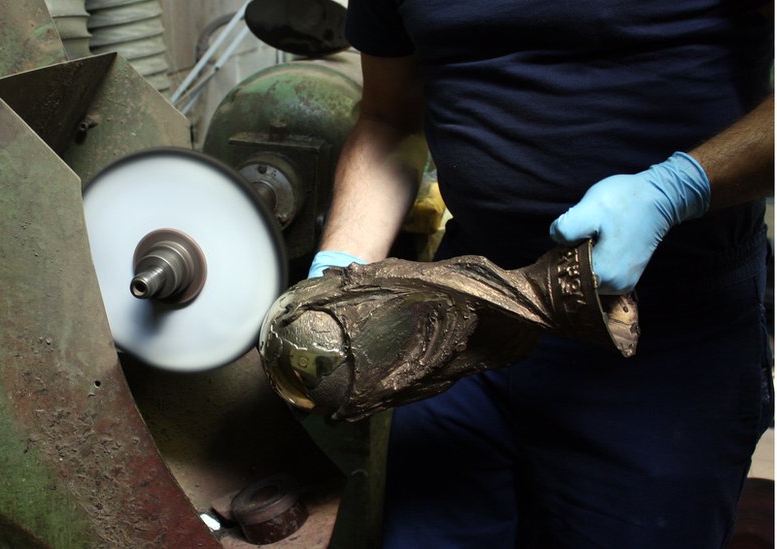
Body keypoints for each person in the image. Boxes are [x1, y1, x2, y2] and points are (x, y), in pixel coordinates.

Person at [309, 1, 775, 547]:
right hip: (463, 319)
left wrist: (676, 189)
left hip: (663, 339)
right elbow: (388, 116)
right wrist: (338, 270)